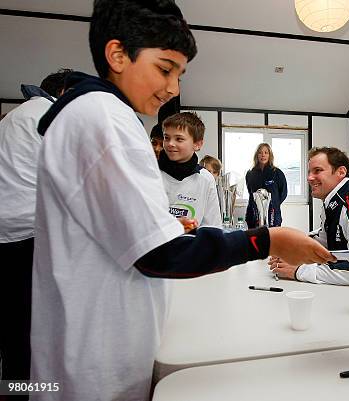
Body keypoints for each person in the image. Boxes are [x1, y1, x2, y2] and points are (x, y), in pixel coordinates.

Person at [29, 2, 332, 400]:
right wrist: (267, 240)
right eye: (164, 68)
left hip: (96, 343)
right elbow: (161, 254)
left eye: (179, 74)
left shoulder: (98, 117)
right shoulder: (104, 119)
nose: (173, 88)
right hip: (93, 363)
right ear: (117, 55)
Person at [0, 68, 72, 386]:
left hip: (7, 232)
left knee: (12, 327)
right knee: (31, 330)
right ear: (65, 93)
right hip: (26, 234)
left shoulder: (15, 116)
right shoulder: (49, 116)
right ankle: (26, 389)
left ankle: (13, 387)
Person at [269, 147, 349, 285]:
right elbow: (325, 243)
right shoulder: (334, 201)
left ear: (341, 172)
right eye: (309, 172)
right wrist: (294, 252)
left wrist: (299, 271)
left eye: (317, 170)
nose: (309, 178)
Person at [159, 112, 221, 227]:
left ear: (197, 144)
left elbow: (212, 227)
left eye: (179, 139)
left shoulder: (206, 179)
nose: (170, 143)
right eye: (166, 138)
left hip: (192, 244)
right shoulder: (152, 174)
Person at [245, 143, 287, 228]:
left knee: (272, 239)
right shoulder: (250, 173)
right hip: (253, 215)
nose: (263, 155)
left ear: (270, 155)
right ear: (257, 155)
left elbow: (283, 193)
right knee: (254, 240)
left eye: (266, 152)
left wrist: (273, 204)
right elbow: (250, 192)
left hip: (272, 215)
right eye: (260, 152)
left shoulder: (277, 173)